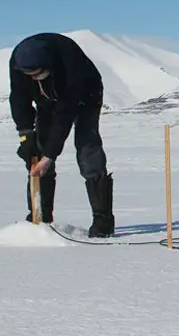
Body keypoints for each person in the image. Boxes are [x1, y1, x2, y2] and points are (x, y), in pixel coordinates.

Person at [8, 32, 115, 238]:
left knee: (87, 147)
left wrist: (50, 156)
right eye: (29, 74)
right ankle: (40, 217)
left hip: (85, 95)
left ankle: (103, 221)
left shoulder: (68, 60)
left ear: (47, 63)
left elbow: (65, 114)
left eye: (37, 72)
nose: (33, 77)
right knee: (36, 149)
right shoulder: (18, 62)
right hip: (46, 100)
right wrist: (25, 135)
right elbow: (19, 100)